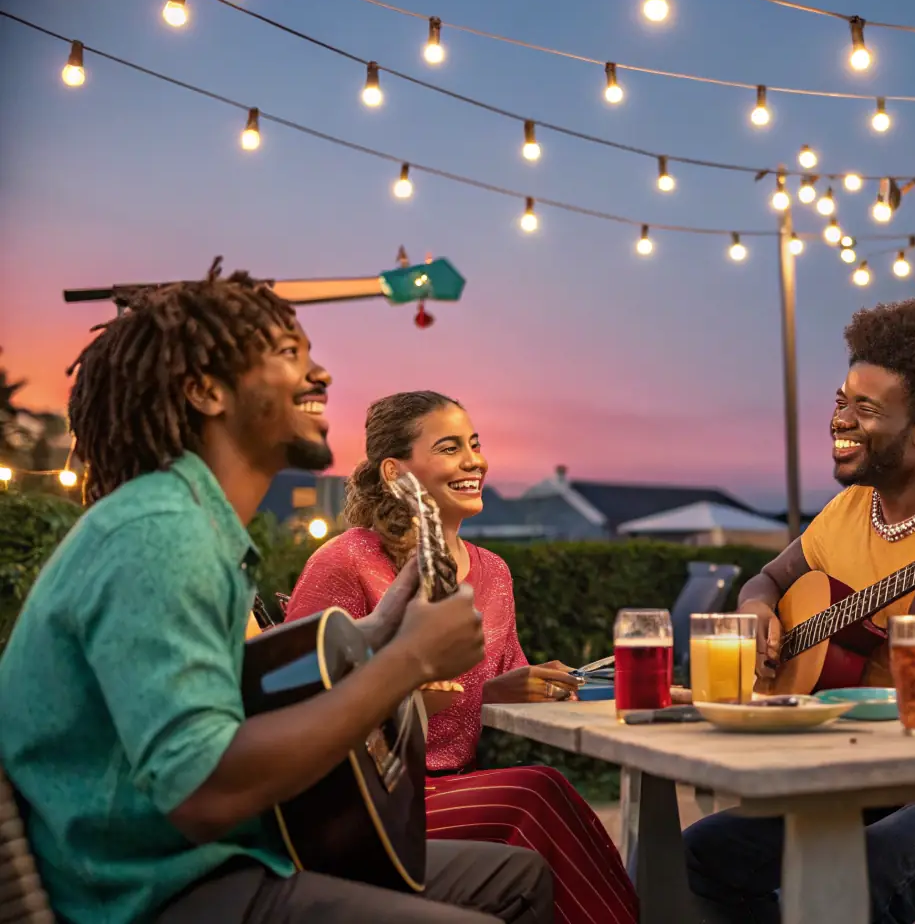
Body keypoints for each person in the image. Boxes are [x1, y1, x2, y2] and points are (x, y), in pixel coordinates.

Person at [0, 262, 553, 924]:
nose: (320, 375)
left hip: (225, 857)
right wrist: (407, 662)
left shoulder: (200, 526)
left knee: (517, 877)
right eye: (289, 355)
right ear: (206, 391)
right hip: (154, 892)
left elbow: (245, 695)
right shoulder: (160, 535)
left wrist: (378, 632)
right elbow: (205, 793)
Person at [684, 299, 915, 924]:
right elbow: (770, 578)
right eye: (841, 402)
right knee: (701, 853)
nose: (840, 420)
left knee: (855, 869)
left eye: (865, 408)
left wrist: (904, 663)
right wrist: (756, 609)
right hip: (870, 780)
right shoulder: (847, 510)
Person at [284, 391, 638, 924]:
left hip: (451, 786)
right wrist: (402, 696)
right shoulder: (347, 561)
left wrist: (511, 685)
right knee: (535, 794)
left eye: (474, 444)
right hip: (362, 806)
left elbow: (480, 685)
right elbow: (298, 704)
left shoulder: (493, 572)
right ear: (396, 473)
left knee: (541, 800)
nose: (474, 461)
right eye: (450, 448)